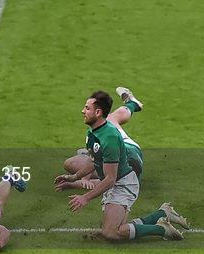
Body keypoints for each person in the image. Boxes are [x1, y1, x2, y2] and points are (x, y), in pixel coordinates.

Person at [65, 90, 189, 242]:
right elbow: (94, 161)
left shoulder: (109, 137)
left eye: (87, 108)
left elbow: (110, 178)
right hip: (120, 177)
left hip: (123, 182)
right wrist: (74, 177)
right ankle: (162, 214)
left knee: (110, 232)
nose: (82, 111)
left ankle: (162, 229)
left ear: (98, 112)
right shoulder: (94, 131)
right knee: (116, 228)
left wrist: (85, 197)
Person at [55, 87, 144, 191]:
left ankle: (132, 104)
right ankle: (132, 104)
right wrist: (81, 178)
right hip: (126, 149)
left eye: (87, 109)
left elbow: (107, 182)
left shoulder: (109, 143)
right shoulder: (104, 133)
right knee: (111, 119)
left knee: (71, 163)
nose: (83, 111)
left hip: (124, 158)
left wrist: (76, 184)